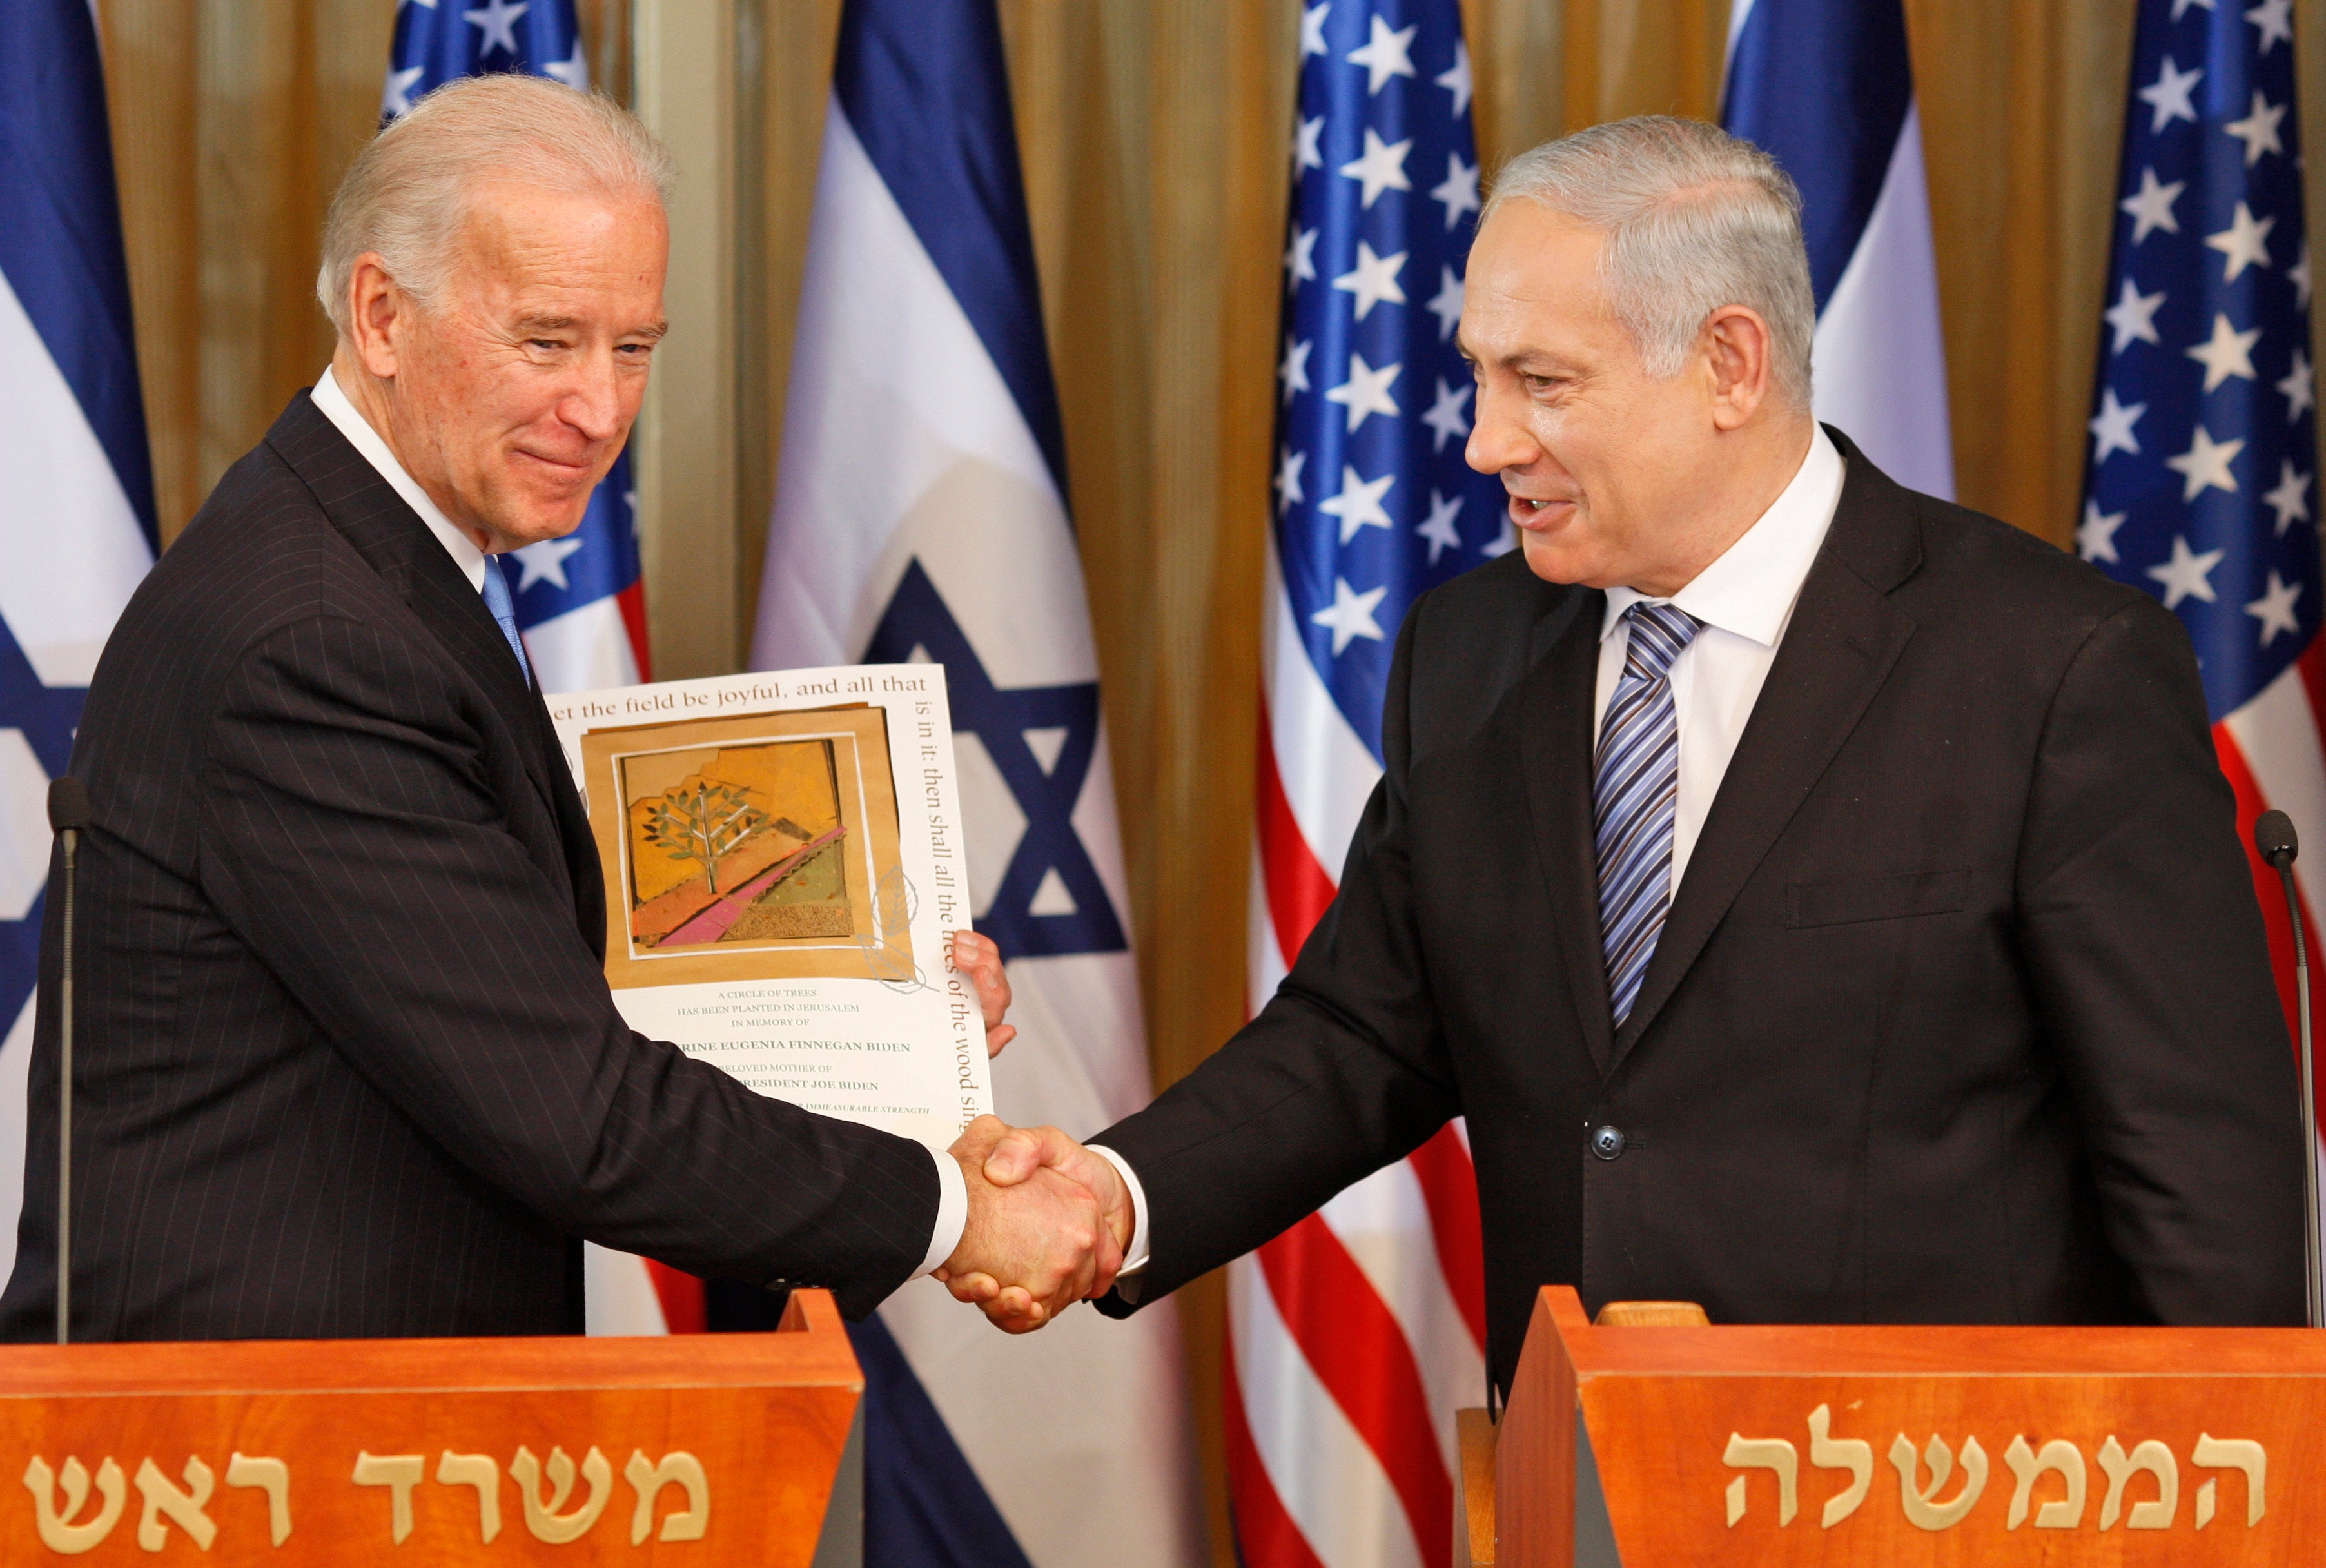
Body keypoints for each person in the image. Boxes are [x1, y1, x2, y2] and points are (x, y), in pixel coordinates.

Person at [953, 115, 2308, 1386]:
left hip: (1937, 1495)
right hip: (1583, 1476)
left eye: (1543, 382)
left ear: (1728, 363)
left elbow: (2195, 1173)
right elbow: (1360, 1032)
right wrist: (1107, 1199)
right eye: (1480, 374)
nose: (1488, 441)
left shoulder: (2049, 668)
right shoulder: (1468, 649)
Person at [0, 75, 1106, 1342]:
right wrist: (956, 1210)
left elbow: (489, 996)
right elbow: (576, 1117)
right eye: (547, 341)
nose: (599, 410)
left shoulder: (378, 566)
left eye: (633, 347)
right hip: (258, 1462)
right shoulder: (314, 641)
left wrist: (876, 1013)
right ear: (379, 314)